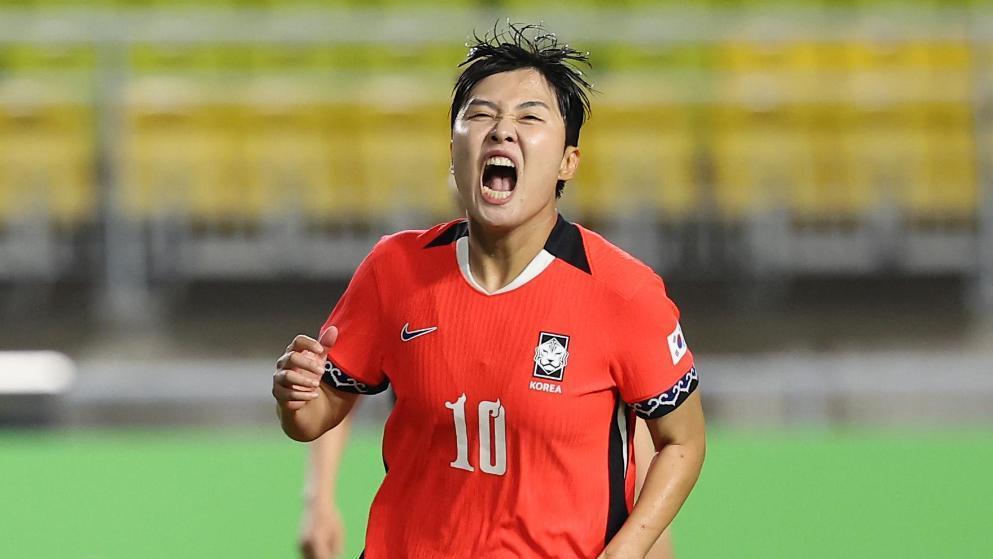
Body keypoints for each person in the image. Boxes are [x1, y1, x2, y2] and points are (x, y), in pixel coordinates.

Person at [274, 23, 705, 558]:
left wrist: (625, 552)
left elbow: (682, 441)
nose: (502, 130)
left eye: (529, 117)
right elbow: (314, 418)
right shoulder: (393, 269)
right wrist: (295, 396)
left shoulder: (623, 292)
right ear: (452, 152)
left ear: (568, 161)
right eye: (481, 115)